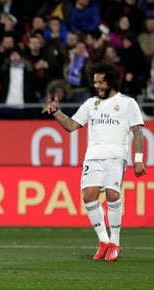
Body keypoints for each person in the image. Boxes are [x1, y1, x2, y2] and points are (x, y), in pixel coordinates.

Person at [42, 62, 146, 262]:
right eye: (95, 82)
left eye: (101, 82)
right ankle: (103, 241)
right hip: (93, 156)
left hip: (116, 155)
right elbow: (72, 125)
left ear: (111, 81)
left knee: (112, 194)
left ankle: (115, 243)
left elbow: (138, 132)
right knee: (89, 197)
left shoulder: (127, 103)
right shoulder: (91, 104)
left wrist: (138, 159)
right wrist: (56, 112)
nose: (97, 86)